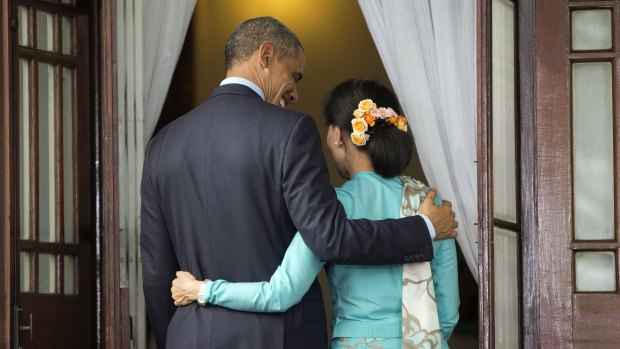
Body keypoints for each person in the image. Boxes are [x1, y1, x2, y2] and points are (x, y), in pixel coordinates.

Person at [140, 17, 458, 349]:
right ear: (265, 56)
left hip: (189, 335)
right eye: (294, 75)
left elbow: (156, 267)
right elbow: (330, 236)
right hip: (276, 338)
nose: (295, 92)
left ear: (339, 137)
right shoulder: (289, 132)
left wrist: (179, 329)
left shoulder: (162, 144)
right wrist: (424, 228)